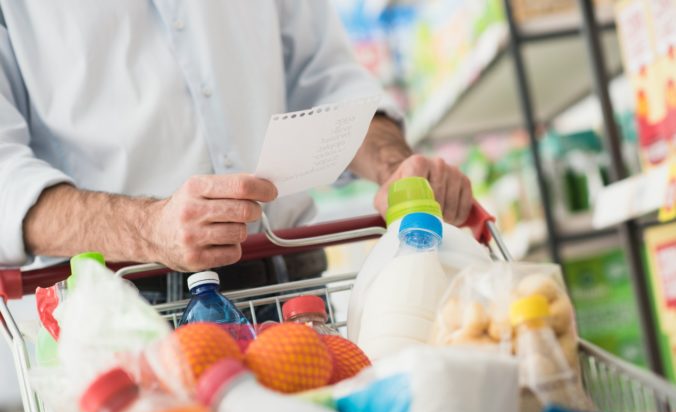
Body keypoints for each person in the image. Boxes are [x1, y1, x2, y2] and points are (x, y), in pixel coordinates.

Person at [0, 1, 473, 274]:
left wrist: (396, 170)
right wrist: (149, 230)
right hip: (124, 311)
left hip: (293, 276)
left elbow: (324, 77)